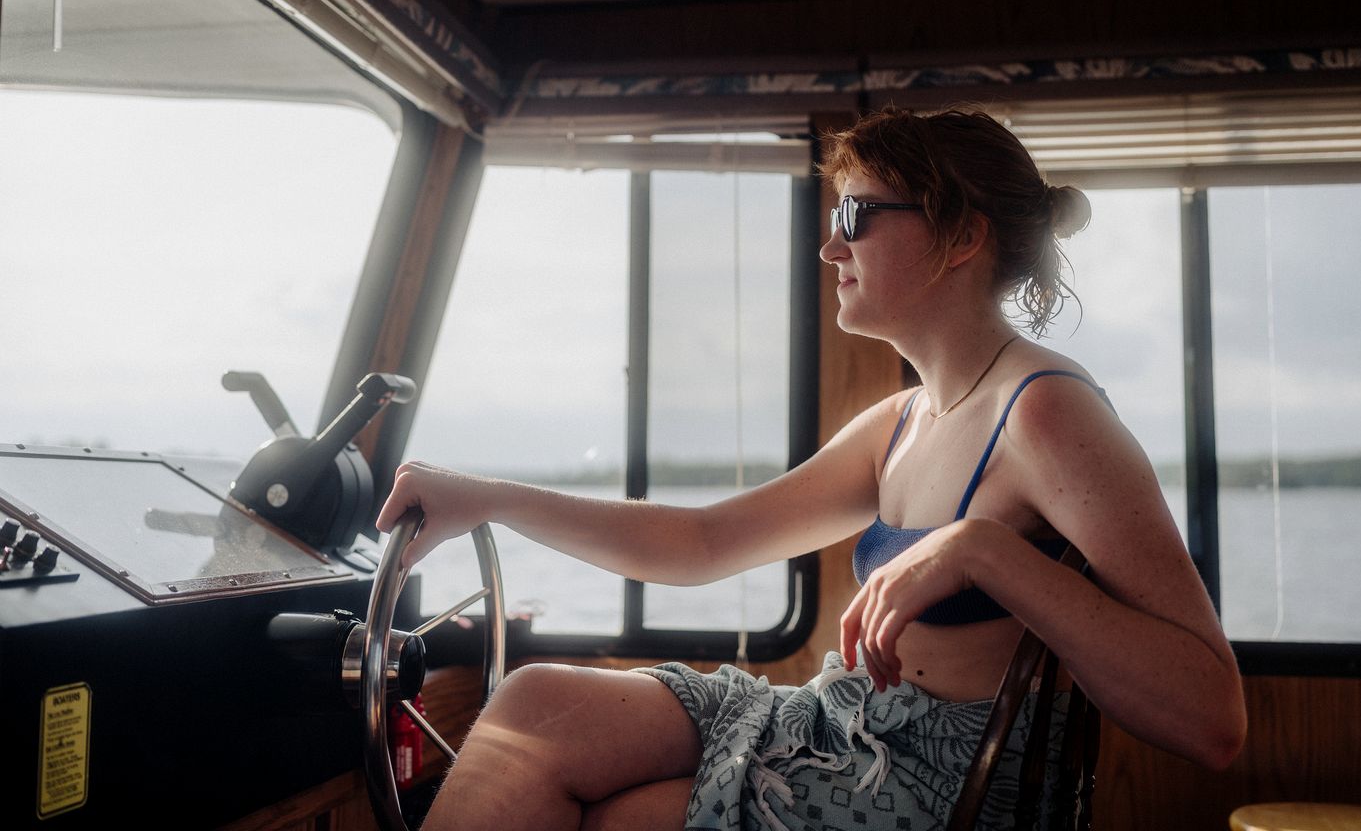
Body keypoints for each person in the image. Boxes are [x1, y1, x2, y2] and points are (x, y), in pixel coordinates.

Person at [376, 107, 1247, 831]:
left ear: (960, 238)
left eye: (855, 217)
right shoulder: (904, 419)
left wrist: (985, 553)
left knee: (627, 818)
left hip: (936, 791)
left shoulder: (1046, 411)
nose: (831, 250)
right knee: (534, 705)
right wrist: (486, 498)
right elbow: (703, 543)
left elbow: (1212, 717)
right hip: (837, 725)